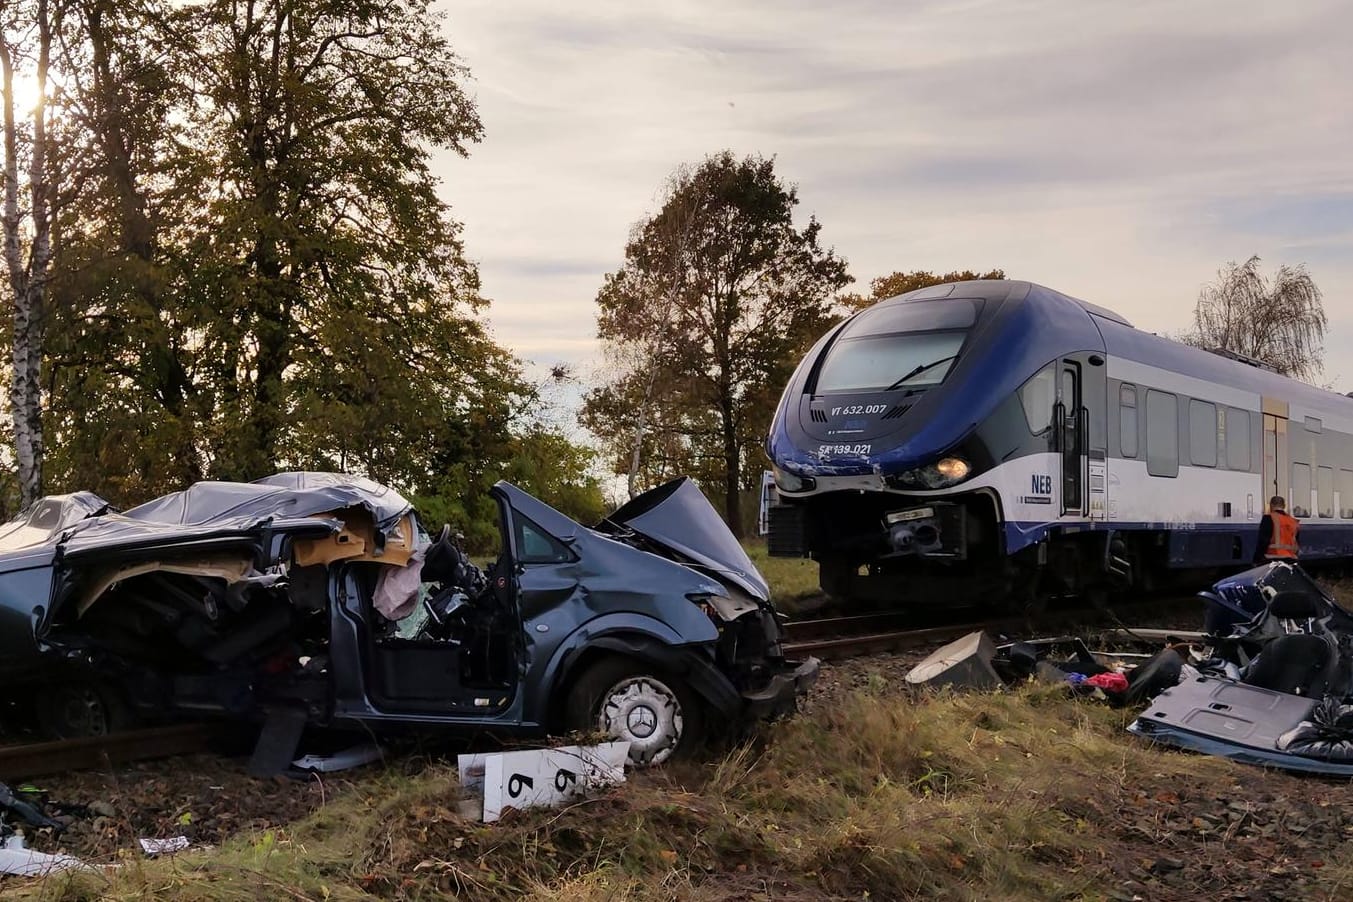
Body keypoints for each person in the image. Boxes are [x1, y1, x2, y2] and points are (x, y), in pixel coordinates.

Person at [1253, 495, 1300, 563]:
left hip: (1272, 558)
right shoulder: (1293, 521)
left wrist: (1256, 559)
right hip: (1290, 559)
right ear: (1284, 506)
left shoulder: (1268, 518)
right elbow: (1296, 544)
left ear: (1271, 505)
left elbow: (1263, 541)